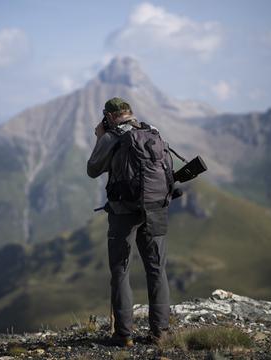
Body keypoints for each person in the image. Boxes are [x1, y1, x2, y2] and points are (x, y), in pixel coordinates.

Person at [87, 97, 173, 347]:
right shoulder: (152, 132)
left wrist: (99, 136)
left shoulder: (111, 137)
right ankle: (161, 334)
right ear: (130, 113)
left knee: (121, 271)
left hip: (123, 211)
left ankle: (123, 335)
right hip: (156, 208)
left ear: (110, 116)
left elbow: (93, 169)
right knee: (157, 270)